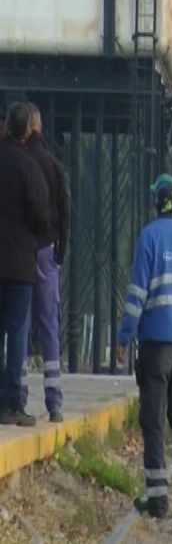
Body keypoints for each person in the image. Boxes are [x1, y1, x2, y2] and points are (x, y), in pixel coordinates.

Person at [117, 174, 172, 519]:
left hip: (154, 347)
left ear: (154, 201)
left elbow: (136, 296)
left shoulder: (148, 237)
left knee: (152, 420)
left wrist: (123, 336)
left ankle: (158, 499)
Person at [0, 102, 49, 427]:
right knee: (17, 332)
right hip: (19, 266)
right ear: (28, 131)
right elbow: (42, 216)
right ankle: (12, 402)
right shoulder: (28, 166)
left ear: (6, 127)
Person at [19, 103, 69, 422]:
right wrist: (61, 250)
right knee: (49, 324)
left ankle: (18, 394)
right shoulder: (52, 164)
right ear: (40, 127)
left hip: (21, 252)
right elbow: (65, 209)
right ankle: (54, 402)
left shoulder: (18, 161)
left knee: (19, 324)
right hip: (47, 252)